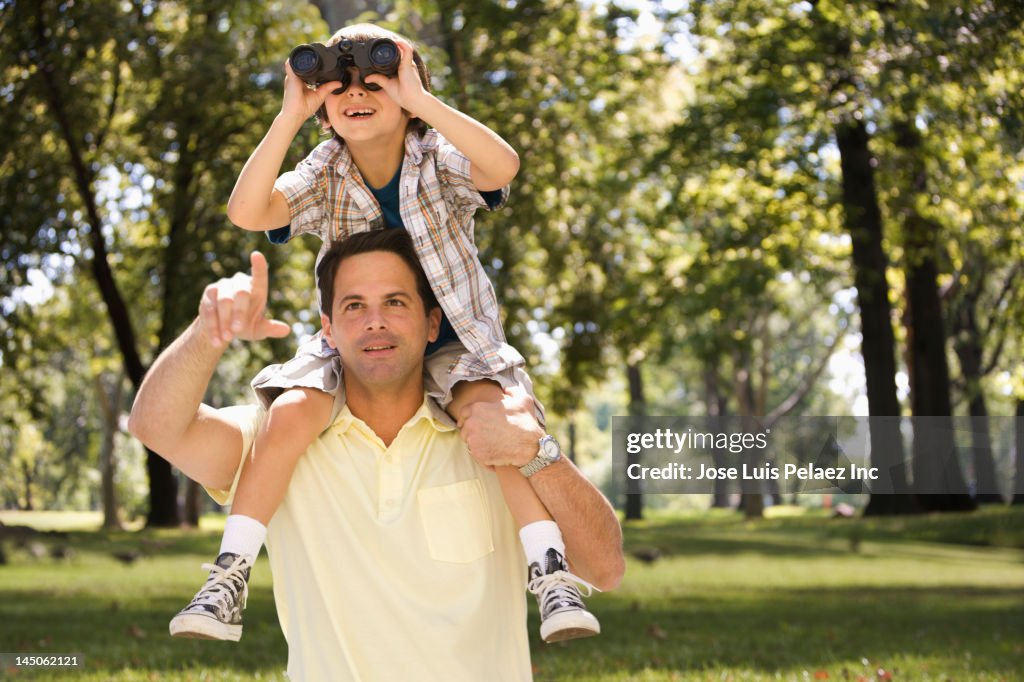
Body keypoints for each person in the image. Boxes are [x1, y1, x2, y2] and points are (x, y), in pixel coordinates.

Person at [166, 22, 601, 644]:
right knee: (290, 414)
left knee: (491, 425)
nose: (357, 92)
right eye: (337, 84)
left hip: (458, 340)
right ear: (323, 104)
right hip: (359, 338)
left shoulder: (435, 156)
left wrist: (420, 98)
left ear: (408, 87)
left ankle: (550, 574)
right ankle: (229, 575)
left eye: (377, 78)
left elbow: (502, 165)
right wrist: (290, 115)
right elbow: (247, 211)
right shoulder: (326, 169)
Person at [128, 230, 625, 681]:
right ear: (327, 329)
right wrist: (209, 331)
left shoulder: (494, 433)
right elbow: (157, 427)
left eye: (394, 302)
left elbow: (605, 569)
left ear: (433, 323)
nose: (375, 322)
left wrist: (537, 453)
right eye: (353, 306)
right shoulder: (279, 437)